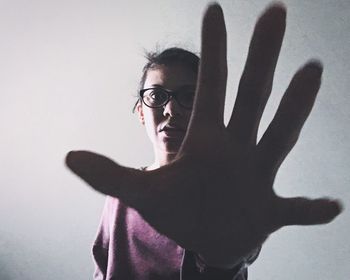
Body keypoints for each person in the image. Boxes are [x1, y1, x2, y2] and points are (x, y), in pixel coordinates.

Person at [66, 3, 343, 280]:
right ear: (140, 111)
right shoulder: (121, 195)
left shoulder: (224, 192)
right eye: (156, 95)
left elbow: (231, 248)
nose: (171, 110)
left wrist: (222, 265)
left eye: (188, 96)